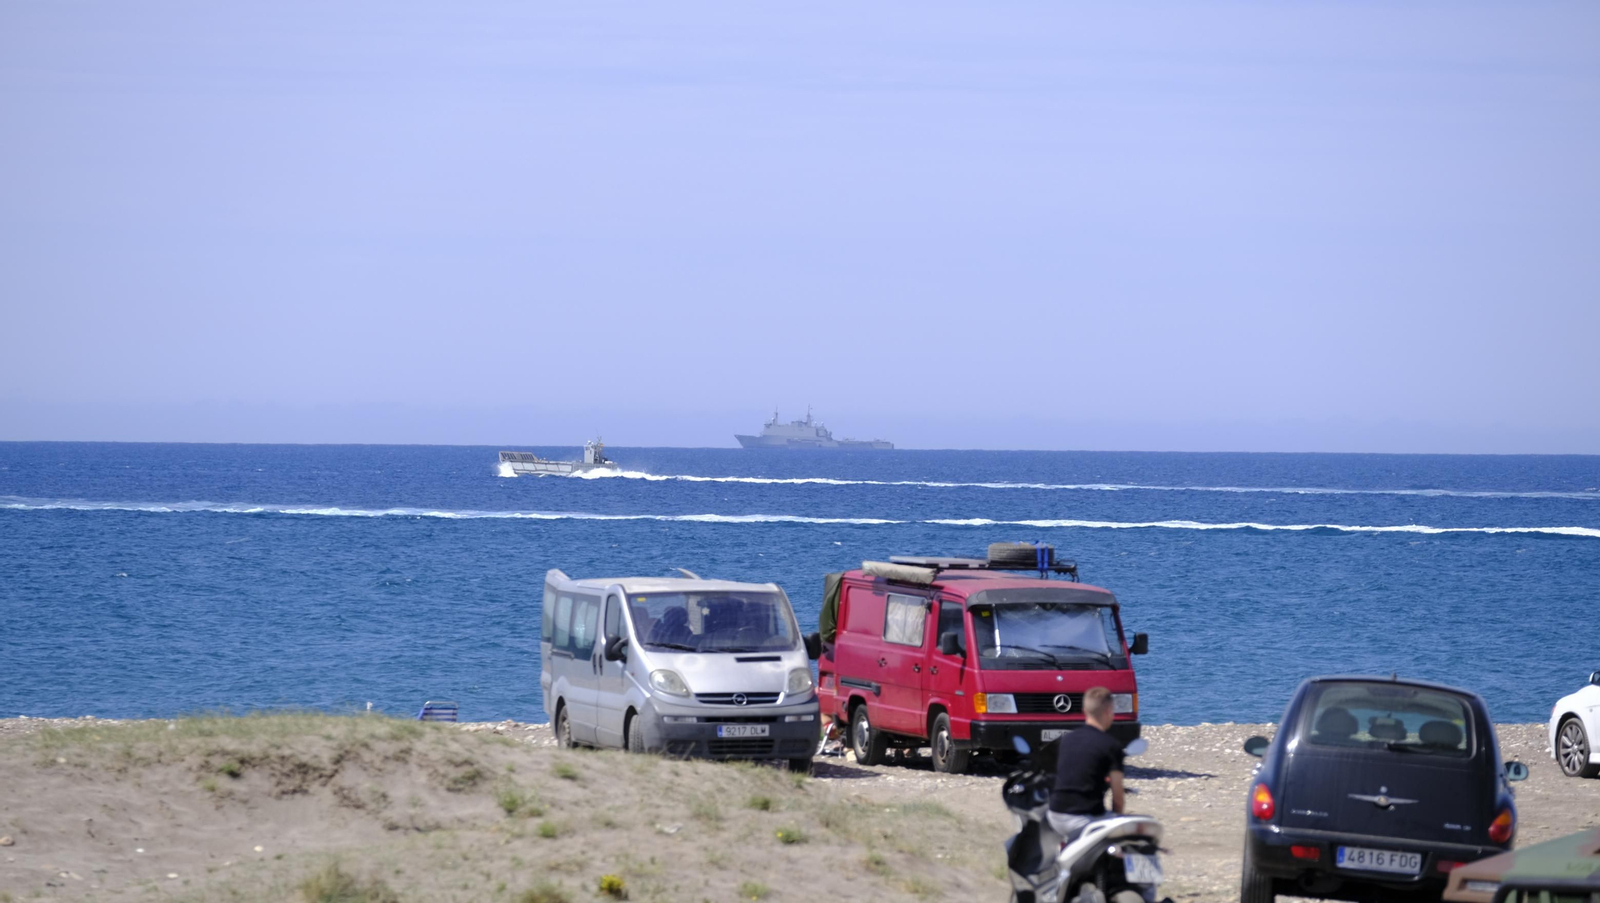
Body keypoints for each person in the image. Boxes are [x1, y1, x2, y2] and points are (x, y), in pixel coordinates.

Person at [1048, 686, 1126, 842]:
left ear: (1084, 711)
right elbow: (1118, 798)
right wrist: (1117, 822)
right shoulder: (1111, 745)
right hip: (1083, 818)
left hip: (1055, 814)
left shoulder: (1067, 740)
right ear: (1109, 711)